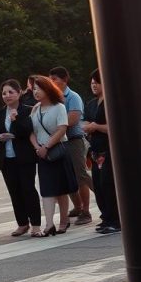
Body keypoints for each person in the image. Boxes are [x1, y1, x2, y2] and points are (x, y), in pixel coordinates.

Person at [0, 79, 40, 237]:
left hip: (25, 157)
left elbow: (27, 130)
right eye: (4, 93)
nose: (7, 95)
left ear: (19, 93)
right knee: (14, 192)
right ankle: (22, 223)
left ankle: (36, 225)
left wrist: (15, 120)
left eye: (11, 92)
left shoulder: (28, 110)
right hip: (7, 159)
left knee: (28, 190)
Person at [29, 75, 79, 237]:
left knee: (61, 189)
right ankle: (49, 224)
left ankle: (64, 221)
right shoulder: (35, 108)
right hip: (42, 154)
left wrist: (47, 146)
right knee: (47, 190)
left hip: (57, 152)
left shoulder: (59, 107)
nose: (36, 92)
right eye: (34, 89)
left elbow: (61, 129)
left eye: (39, 88)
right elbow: (31, 131)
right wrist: (38, 147)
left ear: (48, 89)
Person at [49, 67, 93, 226]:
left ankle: (87, 211)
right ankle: (78, 207)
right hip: (60, 142)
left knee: (80, 175)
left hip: (73, 140)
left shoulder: (72, 97)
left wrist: (53, 125)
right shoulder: (53, 98)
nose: (52, 82)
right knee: (67, 176)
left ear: (65, 80)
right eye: (50, 79)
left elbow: (72, 119)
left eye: (55, 79)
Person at [83, 70, 120, 234]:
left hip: (109, 148)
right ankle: (106, 217)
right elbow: (86, 121)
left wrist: (96, 127)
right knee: (98, 184)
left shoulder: (113, 101)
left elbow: (115, 126)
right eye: (91, 82)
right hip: (95, 149)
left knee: (108, 183)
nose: (93, 85)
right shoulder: (91, 103)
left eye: (97, 82)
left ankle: (115, 219)